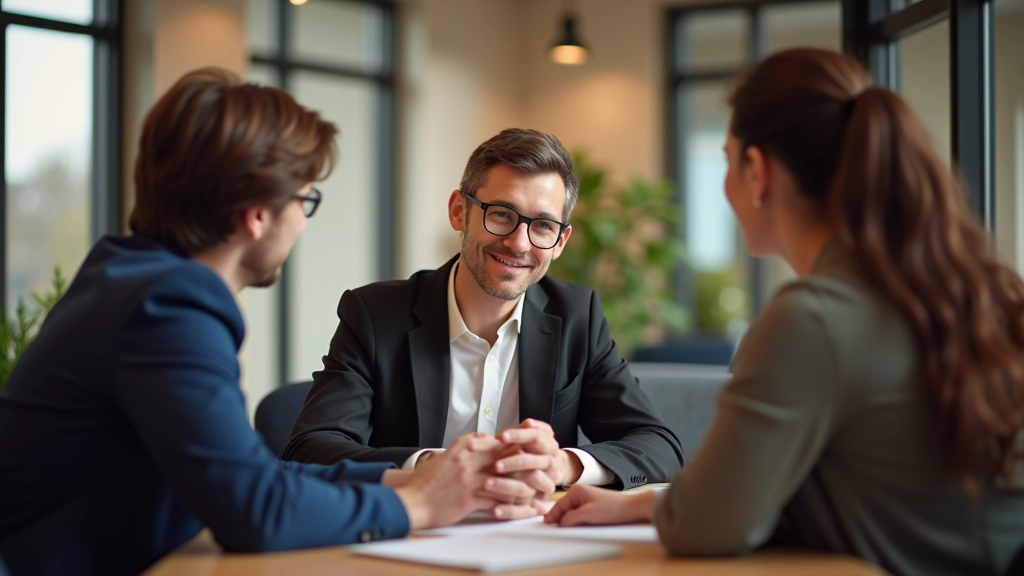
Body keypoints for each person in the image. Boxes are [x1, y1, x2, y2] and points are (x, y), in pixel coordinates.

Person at [0, 68, 542, 576]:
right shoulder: (169, 308)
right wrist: (422, 503)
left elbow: (251, 476)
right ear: (258, 215)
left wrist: (413, 476)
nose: (302, 226)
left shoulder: (128, 275)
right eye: (305, 200)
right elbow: (255, 512)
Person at [545, 47, 1024, 576]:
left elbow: (710, 526)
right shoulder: (966, 289)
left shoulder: (813, 318)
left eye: (727, 160)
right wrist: (644, 504)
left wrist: (677, 508)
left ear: (757, 171)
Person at [284, 128, 684, 490]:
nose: (519, 243)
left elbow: (658, 446)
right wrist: (430, 466)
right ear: (460, 211)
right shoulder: (375, 314)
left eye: (542, 226)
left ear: (561, 241)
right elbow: (310, 448)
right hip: (411, 537)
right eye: (501, 215)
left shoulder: (579, 316)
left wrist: (563, 465)